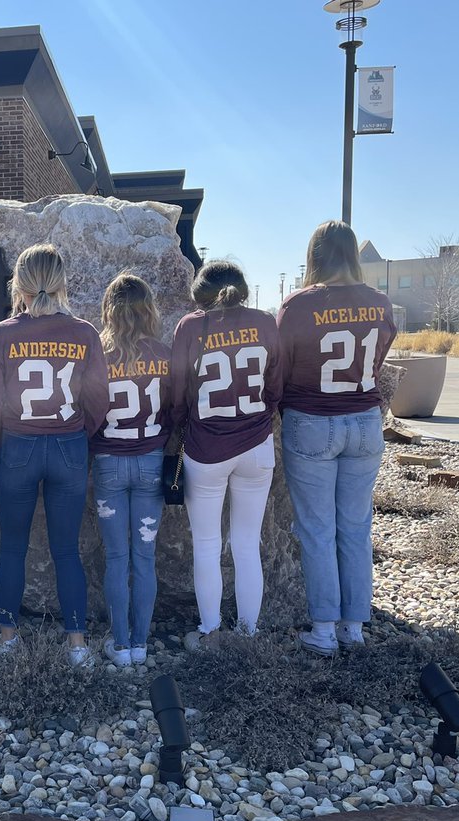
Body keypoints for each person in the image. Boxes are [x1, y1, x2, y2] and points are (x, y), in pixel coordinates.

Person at [0, 244, 109, 667]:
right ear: (62, 282)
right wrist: (79, 436)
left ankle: (9, 639)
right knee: (66, 550)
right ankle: (77, 645)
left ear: (19, 285)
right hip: (68, 443)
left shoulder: (0, 335)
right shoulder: (85, 333)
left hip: (18, 443)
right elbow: (99, 401)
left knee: (12, 548)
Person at [277, 221, 396, 655]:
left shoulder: (299, 304)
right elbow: (378, 361)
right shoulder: (379, 303)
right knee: (356, 528)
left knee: (317, 529)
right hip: (364, 420)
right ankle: (354, 625)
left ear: (316, 255)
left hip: (312, 418)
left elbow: (281, 366)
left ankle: (323, 628)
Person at [171, 262, 282, 650]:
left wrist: (182, 428)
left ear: (199, 292)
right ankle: (248, 634)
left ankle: (210, 631)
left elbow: (179, 391)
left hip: (207, 448)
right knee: (247, 543)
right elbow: (275, 385)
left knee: (206, 544)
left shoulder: (190, 326)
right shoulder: (265, 322)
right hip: (256, 442)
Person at [90, 273, 171, 667]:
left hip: (108, 462)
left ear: (110, 311)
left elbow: (88, 413)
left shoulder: (99, 357)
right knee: (145, 557)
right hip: (151, 461)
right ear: (148, 310)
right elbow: (174, 409)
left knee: (116, 558)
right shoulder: (163, 354)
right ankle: (140, 642)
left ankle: (120, 644)